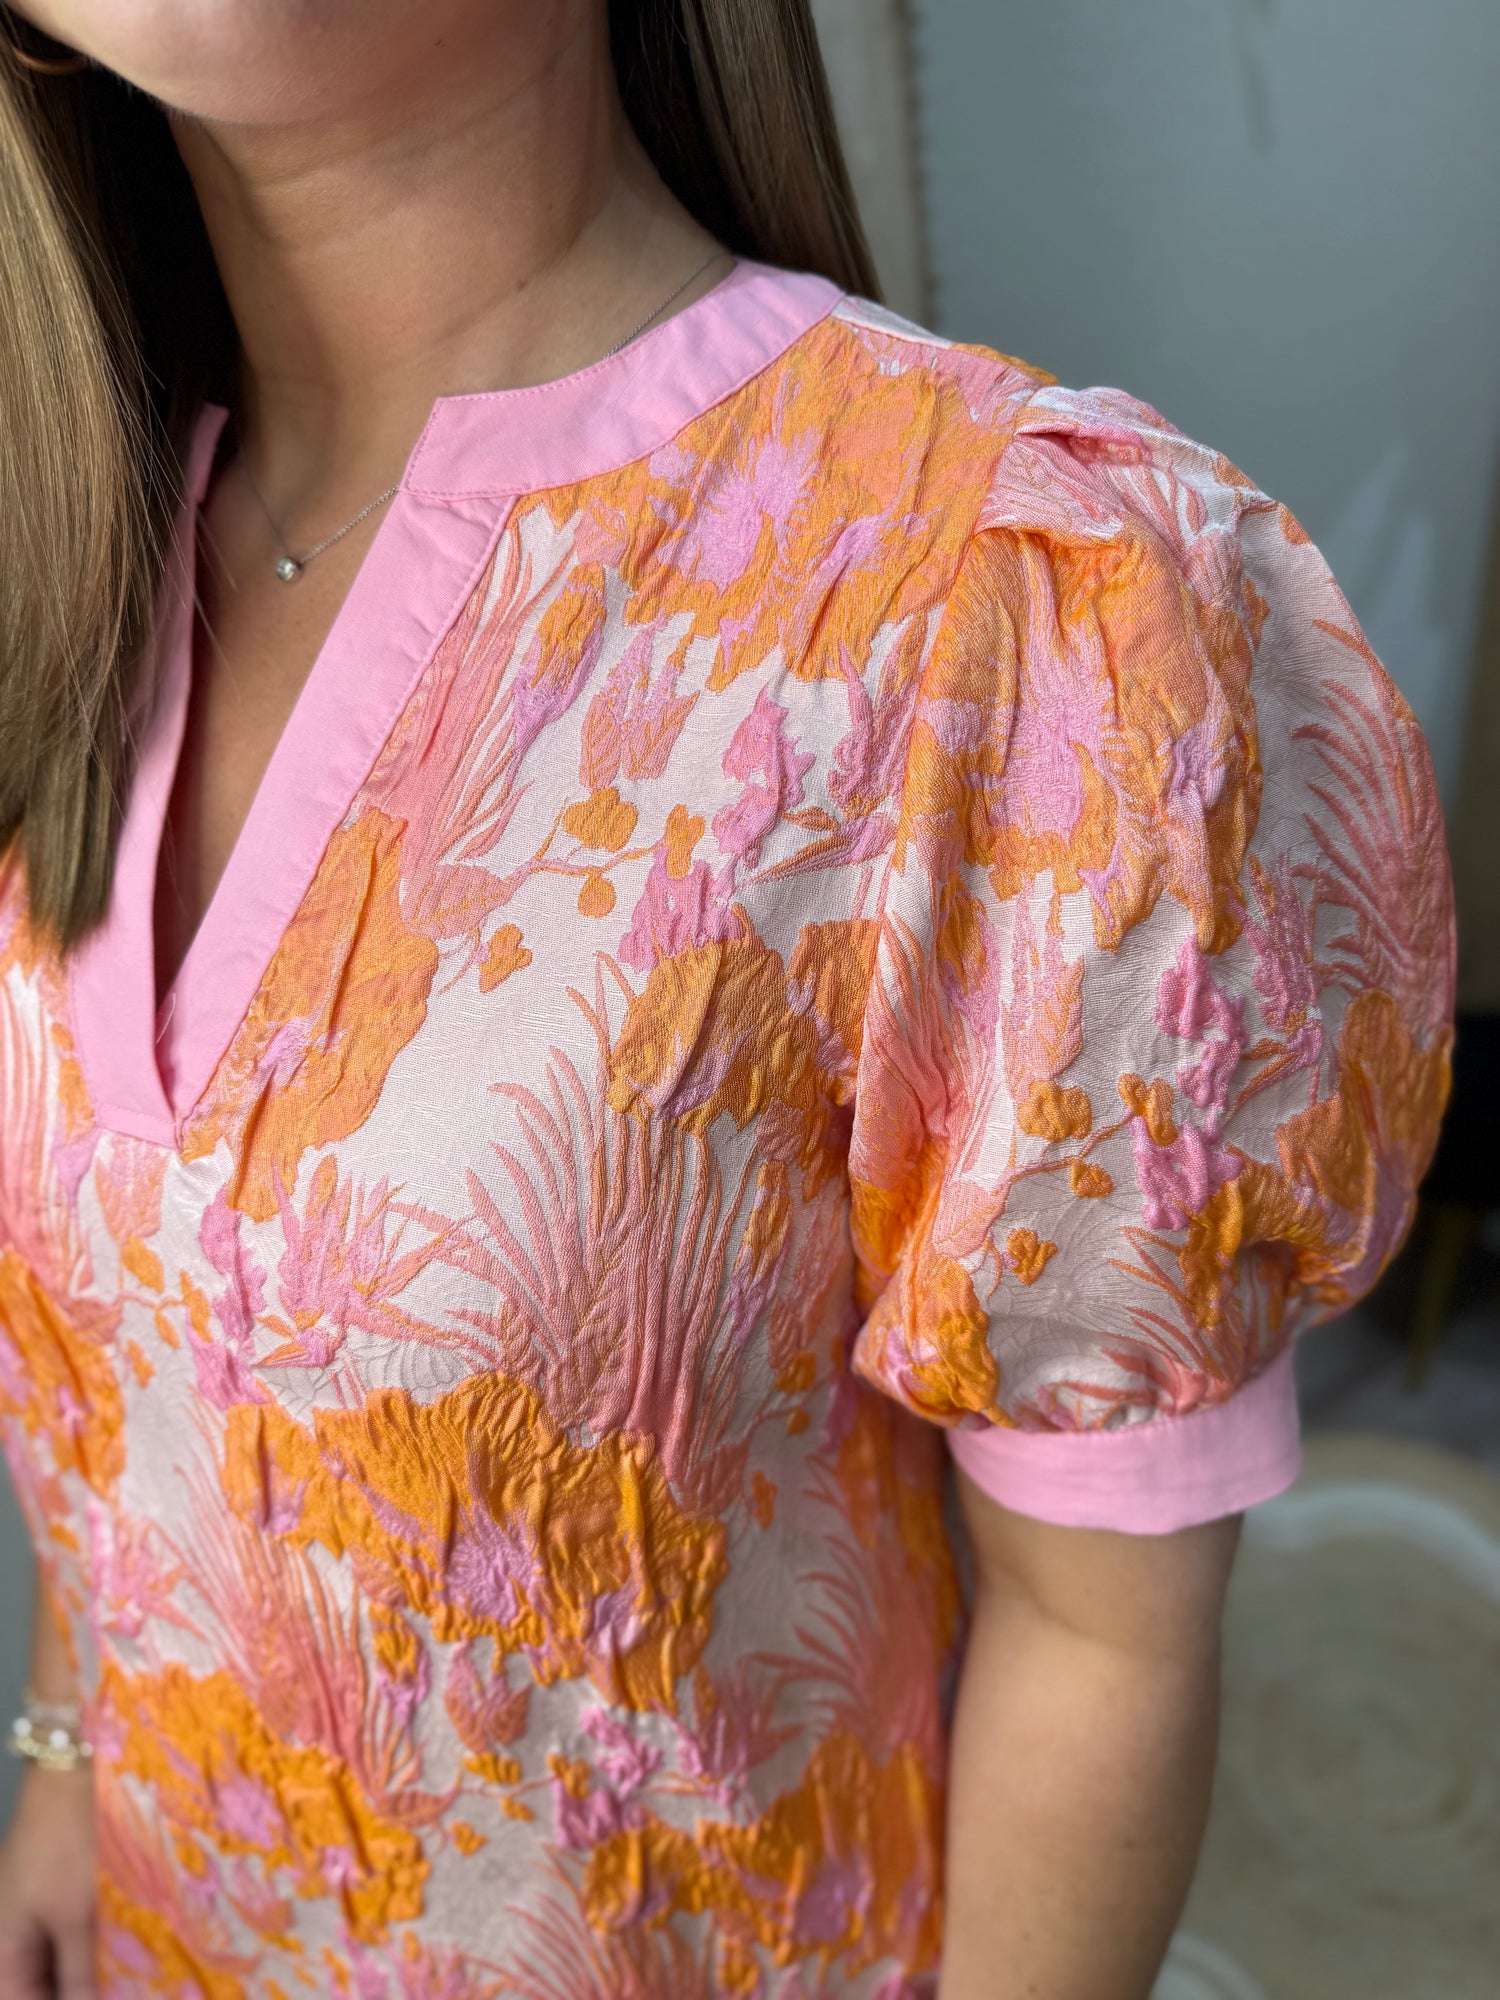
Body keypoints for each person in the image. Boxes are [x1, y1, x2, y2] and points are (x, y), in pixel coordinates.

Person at [0, 2, 1454, 1995]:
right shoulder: (54, 540)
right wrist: (64, 1750)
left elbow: (1101, 1630)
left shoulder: (991, 603)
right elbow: (130, 1329)